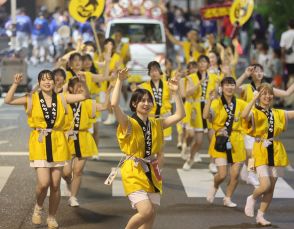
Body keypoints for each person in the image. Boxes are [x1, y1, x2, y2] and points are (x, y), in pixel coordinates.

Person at [4, 70, 89, 229]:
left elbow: (84, 96)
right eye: (43, 80)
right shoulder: (32, 98)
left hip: (58, 142)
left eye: (50, 79)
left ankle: (51, 217)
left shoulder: (62, 97)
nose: (47, 82)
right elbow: (8, 100)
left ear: (54, 82)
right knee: (43, 183)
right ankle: (38, 207)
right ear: (39, 82)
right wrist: (15, 84)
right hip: (40, 142)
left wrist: (83, 81)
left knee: (55, 184)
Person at [111, 68, 185, 229]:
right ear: (134, 104)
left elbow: (180, 115)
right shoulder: (128, 122)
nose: (146, 103)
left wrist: (176, 93)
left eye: (149, 101)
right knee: (145, 211)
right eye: (142, 100)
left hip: (152, 169)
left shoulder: (156, 123)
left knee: (151, 214)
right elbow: (114, 104)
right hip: (133, 170)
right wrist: (119, 80)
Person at [241, 83, 294, 226]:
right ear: (258, 96)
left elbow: (291, 113)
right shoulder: (255, 111)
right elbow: (244, 115)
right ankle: (251, 198)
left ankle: (261, 216)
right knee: (265, 185)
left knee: (271, 187)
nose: (267, 96)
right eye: (264, 93)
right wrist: (253, 99)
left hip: (275, 151)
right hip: (260, 150)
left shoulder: (278, 112)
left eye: (270, 93)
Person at [63, 77, 111, 207]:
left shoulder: (88, 103)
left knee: (78, 171)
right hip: (67, 139)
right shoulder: (64, 101)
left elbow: (105, 107)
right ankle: (69, 183)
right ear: (71, 88)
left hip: (83, 138)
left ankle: (73, 197)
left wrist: (107, 94)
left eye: (82, 86)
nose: (80, 88)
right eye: (77, 86)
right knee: (66, 172)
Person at [203, 77, 247, 208]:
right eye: (227, 85)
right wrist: (209, 100)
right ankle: (215, 185)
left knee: (235, 174)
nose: (230, 87)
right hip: (221, 141)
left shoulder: (240, 103)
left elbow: (249, 115)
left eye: (232, 85)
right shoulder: (216, 103)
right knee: (222, 174)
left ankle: (227, 198)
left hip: (237, 140)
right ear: (221, 87)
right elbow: (206, 116)